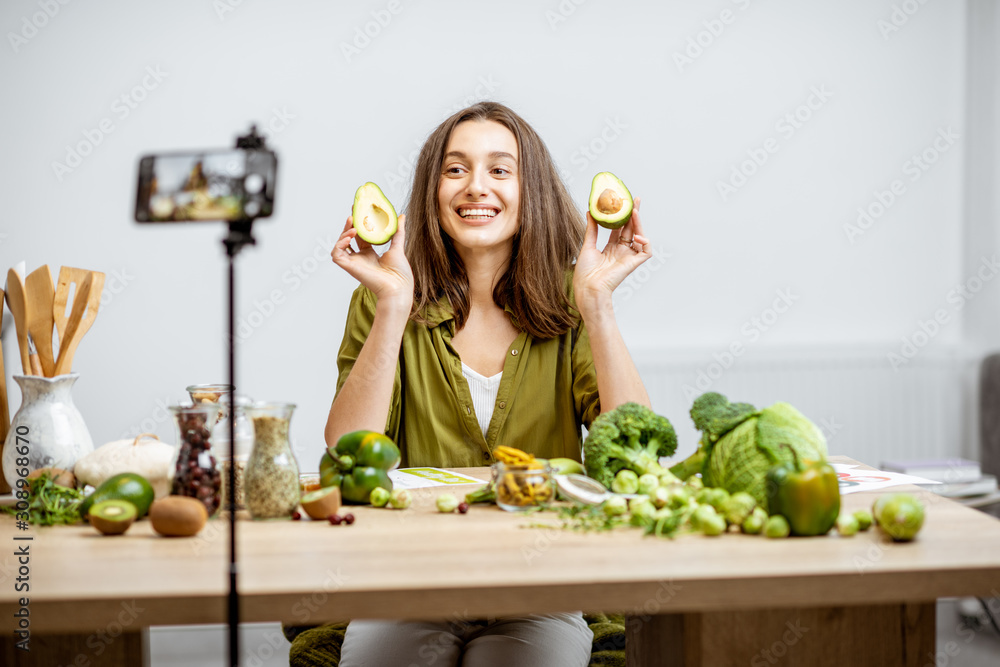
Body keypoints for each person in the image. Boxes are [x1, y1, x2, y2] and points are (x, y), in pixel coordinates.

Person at [326, 101, 653, 667]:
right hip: (409, 582)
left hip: (539, 586)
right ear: (433, 191)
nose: (476, 187)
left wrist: (597, 305)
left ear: (532, 193)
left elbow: (630, 451)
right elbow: (346, 447)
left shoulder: (571, 301)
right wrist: (393, 308)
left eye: (500, 170)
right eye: (455, 170)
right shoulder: (382, 299)